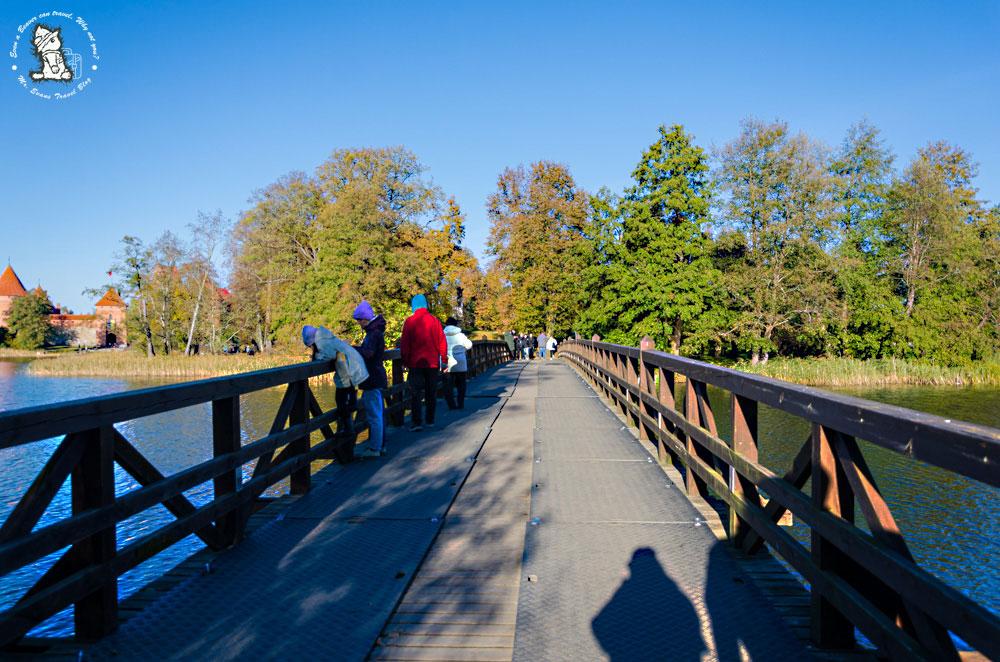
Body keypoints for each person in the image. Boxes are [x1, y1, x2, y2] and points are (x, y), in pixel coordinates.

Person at [302, 324, 368, 437]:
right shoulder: (327, 338)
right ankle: (352, 409)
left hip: (349, 370)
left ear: (312, 342)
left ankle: (348, 429)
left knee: (340, 400)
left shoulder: (323, 342)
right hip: (353, 367)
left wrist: (317, 357)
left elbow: (329, 355)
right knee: (346, 397)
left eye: (310, 346)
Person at [400, 294, 447, 431]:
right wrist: (443, 360)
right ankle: (430, 420)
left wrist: (405, 361)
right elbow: (442, 342)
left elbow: (405, 344)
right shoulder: (434, 320)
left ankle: (417, 422)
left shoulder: (410, 321)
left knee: (416, 393)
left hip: (415, 363)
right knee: (430, 392)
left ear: (414, 306)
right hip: (432, 363)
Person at [353, 301, 387, 458]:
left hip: (372, 378)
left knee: (374, 415)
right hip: (377, 376)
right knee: (379, 414)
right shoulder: (375, 332)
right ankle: (381, 445)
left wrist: (352, 348)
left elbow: (369, 354)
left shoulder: (373, 334)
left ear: (366, 318)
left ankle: (375, 448)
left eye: (359, 319)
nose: (358, 322)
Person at [443, 317, 473, 410]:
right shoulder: (461, 335)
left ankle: (451, 405)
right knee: (461, 384)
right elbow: (469, 345)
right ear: (456, 325)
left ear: (446, 325)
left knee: (448, 386)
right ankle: (460, 403)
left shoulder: (442, 335)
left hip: (448, 363)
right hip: (460, 363)